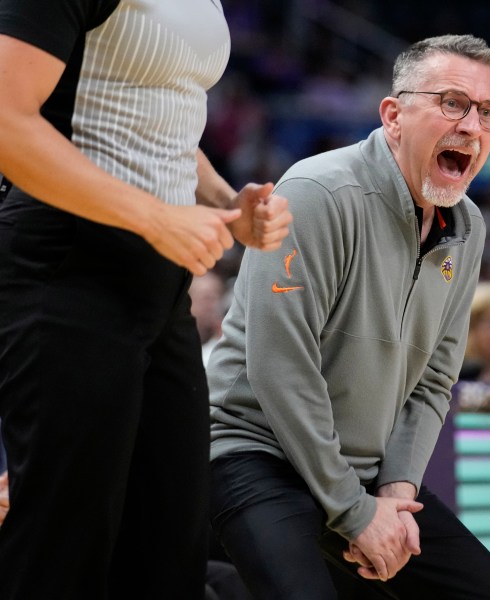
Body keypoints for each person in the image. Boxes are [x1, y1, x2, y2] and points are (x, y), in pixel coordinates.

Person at [207, 34, 490, 599]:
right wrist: (354, 514)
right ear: (393, 115)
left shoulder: (468, 226)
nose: (473, 126)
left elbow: (432, 382)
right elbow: (281, 368)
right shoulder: (316, 191)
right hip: (253, 448)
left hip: (368, 476)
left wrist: (397, 496)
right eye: (452, 103)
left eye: (487, 112)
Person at [0, 1, 292, 598]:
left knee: (168, 546)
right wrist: (155, 215)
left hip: (159, 286)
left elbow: (153, 110)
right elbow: (6, 119)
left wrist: (224, 203)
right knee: (64, 548)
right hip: (68, 263)